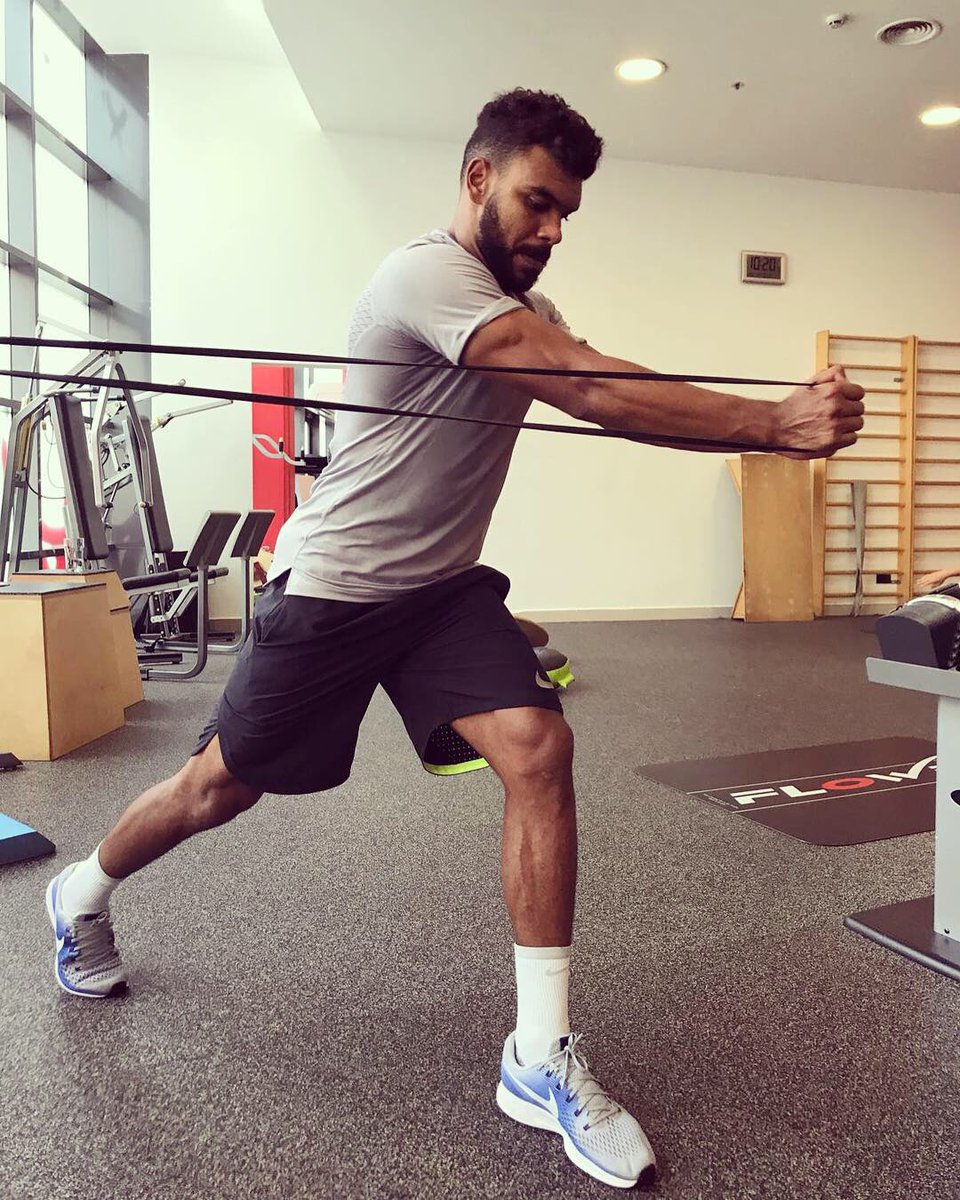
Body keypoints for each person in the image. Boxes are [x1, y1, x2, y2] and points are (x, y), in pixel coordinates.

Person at [46, 88, 865, 1189]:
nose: (553, 228)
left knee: (538, 747)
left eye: (566, 212)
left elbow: (605, 388)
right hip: (333, 589)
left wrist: (766, 426)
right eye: (537, 201)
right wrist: (771, 423)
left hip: (438, 595)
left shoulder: (531, 309)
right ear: (479, 179)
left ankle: (539, 1055)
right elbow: (589, 387)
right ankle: (79, 895)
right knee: (216, 788)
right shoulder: (422, 277)